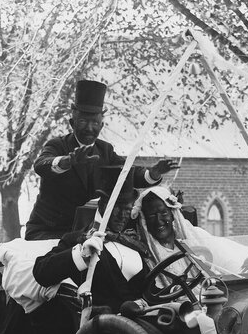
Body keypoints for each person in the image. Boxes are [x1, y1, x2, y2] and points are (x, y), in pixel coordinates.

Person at [24, 79, 181, 240]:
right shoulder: (57, 145)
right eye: (83, 121)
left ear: (101, 126)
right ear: (72, 123)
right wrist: (67, 162)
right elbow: (41, 165)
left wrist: (153, 173)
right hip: (47, 232)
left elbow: (127, 173)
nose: (89, 128)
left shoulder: (105, 151)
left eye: (95, 123)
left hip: (86, 233)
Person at [32, 172, 149, 313]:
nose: (122, 215)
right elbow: (41, 273)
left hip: (142, 325)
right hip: (101, 325)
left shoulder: (135, 244)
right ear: (102, 206)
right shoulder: (78, 239)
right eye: (117, 207)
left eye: (127, 209)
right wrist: (81, 255)